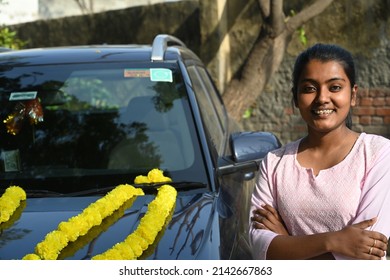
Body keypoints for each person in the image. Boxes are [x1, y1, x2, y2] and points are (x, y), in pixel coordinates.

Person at [249, 43, 390, 260]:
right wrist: (334, 241)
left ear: (353, 95)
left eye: (334, 87)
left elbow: (365, 254)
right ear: (295, 98)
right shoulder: (275, 163)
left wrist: (286, 241)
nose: (322, 98)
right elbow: (261, 249)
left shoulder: (378, 154)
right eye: (309, 88)